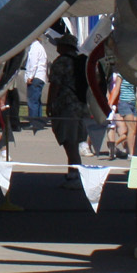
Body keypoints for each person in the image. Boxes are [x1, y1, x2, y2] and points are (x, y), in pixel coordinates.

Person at [47, 33, 89, 172]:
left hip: (66, 106)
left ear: (65, 46)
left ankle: (75, 174)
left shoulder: (61, 61)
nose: (57, 46)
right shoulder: (80, 61)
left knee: (69, 142)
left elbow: (55, 84)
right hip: (81, 106)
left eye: (59, 44)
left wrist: (50, 104)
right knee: (75, 141)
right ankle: (73, 171)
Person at [24, 39, 48, 130]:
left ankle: (33, 122)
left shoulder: (34, 47)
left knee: (32, 101)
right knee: (37, 101)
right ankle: (38, 122)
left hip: (35, 77)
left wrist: (30, 76)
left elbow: (33, 63)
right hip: (41, 77)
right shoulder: (40, 47)